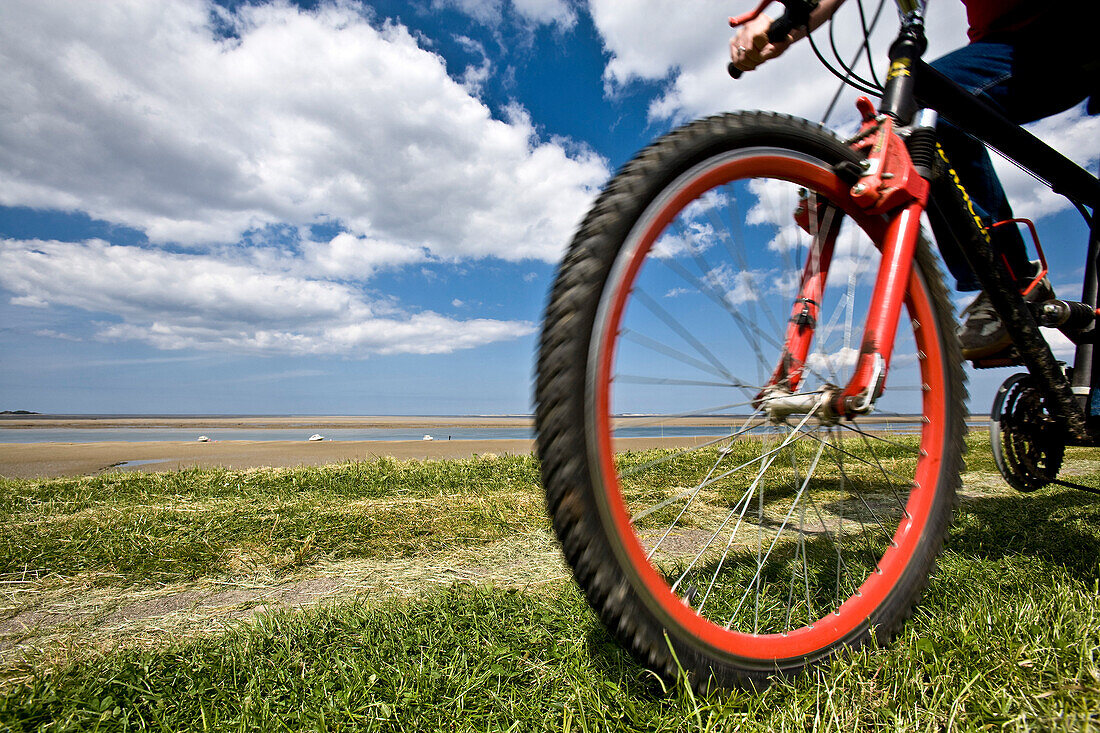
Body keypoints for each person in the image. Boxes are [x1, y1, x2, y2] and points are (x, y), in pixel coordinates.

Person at [730, 0, 1099, 360]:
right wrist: (787, 23)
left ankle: (1017, 288)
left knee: (940, 106)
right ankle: (1012, 282)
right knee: (931, 113)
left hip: (1070, 28)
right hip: (1002, 43)